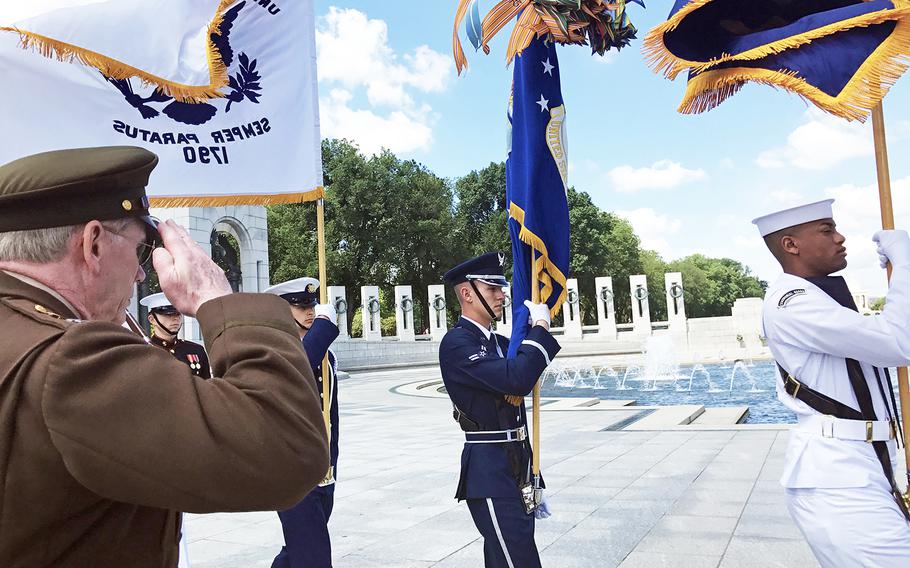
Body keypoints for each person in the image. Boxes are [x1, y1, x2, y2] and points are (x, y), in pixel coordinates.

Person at [0, 146, 329, 567]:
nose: (141, 273)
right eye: (139, 250)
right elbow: (288, 449)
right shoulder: (69, 362)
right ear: (94, 244)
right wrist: (215, 298)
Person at [754, 198, 910, 567]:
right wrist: (905, 265)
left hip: (864, 464)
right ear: (790, 244)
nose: (840, 238)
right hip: (838, 479)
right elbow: (898, 342)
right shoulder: (793, 303)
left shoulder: (818, 297)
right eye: (827, 230)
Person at [438, 252, 560, 568]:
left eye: (502, 287)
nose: (501, 295)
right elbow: (518, 378)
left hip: (518, 466)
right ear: (467, 293)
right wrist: (541, 326)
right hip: (490, 471)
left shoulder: (501, 342)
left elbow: (526, 369)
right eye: (492, 288)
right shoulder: (457, 344)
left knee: (502, 560)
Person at [265, 277, 340, 568]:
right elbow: (295, 371)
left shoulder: (325, 356)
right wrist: (322, 328)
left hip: (323, 468)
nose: (309, 311)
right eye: (300, 306)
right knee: (314, 555)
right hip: (291, 471)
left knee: (298, 549)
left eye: (312, 304)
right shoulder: (273, 351)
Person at [140, 291, 211, 378]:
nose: (175, 318)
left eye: (178, 314)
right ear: (152, 319)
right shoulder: (142, 352)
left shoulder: (196, 350)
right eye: (168, 314)